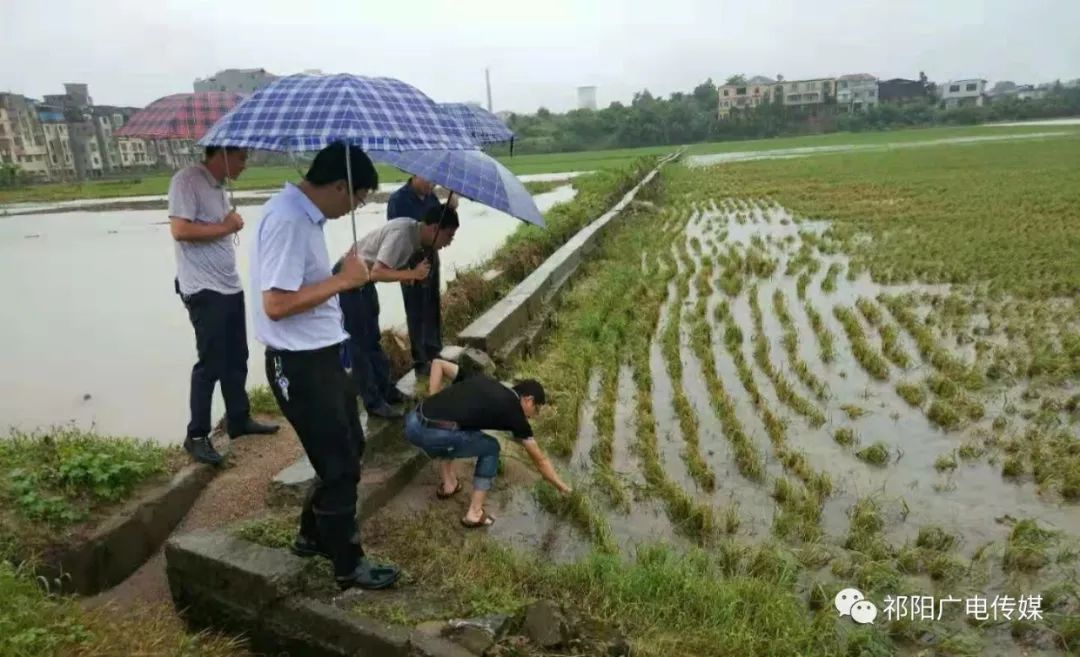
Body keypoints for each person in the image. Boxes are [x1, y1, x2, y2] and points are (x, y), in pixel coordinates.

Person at [251, 141, 399, 591]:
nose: (356, 206)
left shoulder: (301, 216)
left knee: (347, 448)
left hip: (324, 354)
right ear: (339, 185)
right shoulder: (290, 222)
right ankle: (347, 564)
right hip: (302, 364)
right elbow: (275, 304)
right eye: (357, 197)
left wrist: (340, 279)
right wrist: (343, 280)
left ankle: (311, 536)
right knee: (339, 466)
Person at [169, 145, 278, 466]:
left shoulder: (218, 187)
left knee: (238, 356)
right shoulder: (188, 180)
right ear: (222, 154)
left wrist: (228, 222)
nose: (246, 164)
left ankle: (238, 419)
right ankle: (197, 434)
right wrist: (227, 227)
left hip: (228, 284)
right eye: (242, 157)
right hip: (203, 288)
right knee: (211, 362)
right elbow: (181, 230)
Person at [336, 204, 459, 419]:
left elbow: (382, 271)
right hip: (349, 282)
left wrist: (409, 275)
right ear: (433, 228)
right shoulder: (403, 235)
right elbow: (377, 272)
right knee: (360, 347)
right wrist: (411, 273)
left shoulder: (414, 237)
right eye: (448, 235)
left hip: (364, 284)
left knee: (372, 342)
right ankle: (373, 403)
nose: (449, 242)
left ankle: (387, 391)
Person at [405, 370, 572, 527]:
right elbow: (540, 461)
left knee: (464, 427)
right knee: (491, 447)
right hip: (430, 435)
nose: (533, 416)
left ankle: (449, 484)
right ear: (528, 400)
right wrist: (562, 487)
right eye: (536, 409)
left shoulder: (484, 380)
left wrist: (434, 399)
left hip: (412, 421)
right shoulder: (516, 416)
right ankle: (474, 513)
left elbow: (438, 363)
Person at [386, 176, 458, 376]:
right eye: (429, 182)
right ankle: (421, 361)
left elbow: (439, 225)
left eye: (435, 183)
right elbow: (398, 234)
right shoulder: (398, 200)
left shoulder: (431, 198)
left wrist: (449, 208)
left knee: (432, 304)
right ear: (416, 175)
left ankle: (435, 352)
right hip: (410, 259)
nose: (432, 186)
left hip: (431, 256)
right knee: (416, 309)